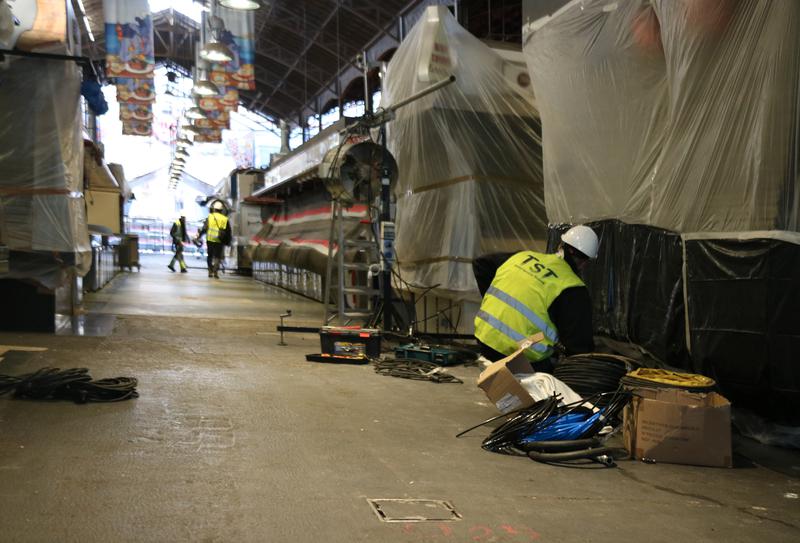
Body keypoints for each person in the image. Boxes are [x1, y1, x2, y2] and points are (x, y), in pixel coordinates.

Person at [473, 225, 599, 371]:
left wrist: (491, 301)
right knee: (555, 367)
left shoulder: (523, 257)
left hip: (485, 339)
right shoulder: (572, 287)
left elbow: (481, 264)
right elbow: (579, 349)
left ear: (560, 245)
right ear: (584, 263)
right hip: (521, 355)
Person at [196, 201, 231, 279]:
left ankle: (210, 271)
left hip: (210, 239)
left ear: (214, 209)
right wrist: (228, 242)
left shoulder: (210, 217)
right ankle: (215, 272)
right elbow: (228, 231)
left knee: (210, 256)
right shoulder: (225, 219)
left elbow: (205, 228)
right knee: (217, 256)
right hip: (219, 240)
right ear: (222, 210)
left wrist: (199, 236)